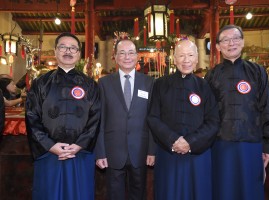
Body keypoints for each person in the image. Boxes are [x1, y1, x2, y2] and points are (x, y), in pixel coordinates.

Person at [25, 32, 101, 200]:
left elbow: (96, 118)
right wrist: (50, 145)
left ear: (79, 54)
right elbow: (32, 117)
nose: (68, 51)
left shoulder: (90, 85)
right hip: (49, 153)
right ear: (55, 51)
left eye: (73, 48)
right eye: (63, 47)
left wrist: (80, 144)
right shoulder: (41, 83)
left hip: (79, 154)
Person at [205, 25, 269, 200]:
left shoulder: (257, 72)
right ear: (217, 46)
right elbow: (206, 114)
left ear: (243, 42)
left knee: (250, 191)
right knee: (223, 191)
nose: (231, 43)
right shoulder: (212, 75)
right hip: (221, 144)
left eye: (236, 38)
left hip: (251, 143)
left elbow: (267, 108)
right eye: (226, 40)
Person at [147, 39, 220, 200]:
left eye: (190, 55)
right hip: (168, 154)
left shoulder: (204, 86)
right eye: (181, 56)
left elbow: (213, 121)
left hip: (197, 154)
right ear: (174, 58)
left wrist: (190, 142)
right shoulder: (160, 84)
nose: (186, 60)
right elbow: (153, 117)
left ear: (196, 58)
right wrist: (174, 140)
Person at [94, 39, 155, 200]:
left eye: (131, 53)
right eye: (122, 53)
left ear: (137, 56)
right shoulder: (104, 83)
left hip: (140, 150)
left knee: (139, 194)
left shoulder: (149, 82)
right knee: (114, 195)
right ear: (115, 56)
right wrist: (100, 152)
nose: (127, 57)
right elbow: (100, 120)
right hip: (113, 151)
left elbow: (153, 119)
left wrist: (151, 150)